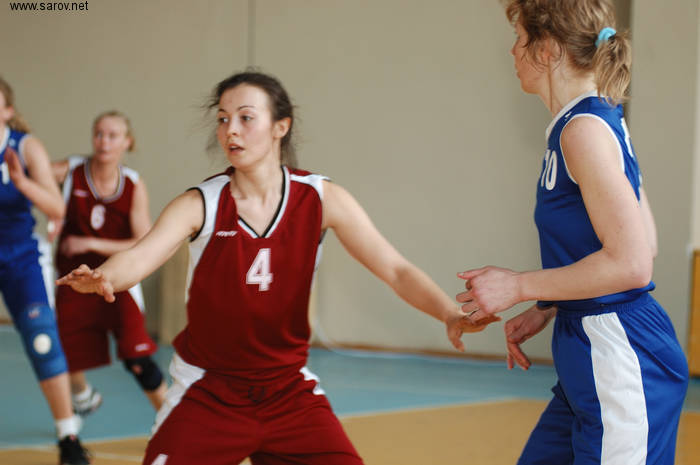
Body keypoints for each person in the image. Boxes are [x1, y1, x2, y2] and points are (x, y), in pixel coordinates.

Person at [57, 71, 498, 465]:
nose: (231, 129)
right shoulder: (201, 203)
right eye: (223, 118)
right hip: (209, 390)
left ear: (280, 127)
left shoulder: (321, 198)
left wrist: (447, 312)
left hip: (288, 391)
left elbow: (395, 269)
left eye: (246, 118)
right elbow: (140, 256)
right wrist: (105, 277)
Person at [456, 1, 689, 464]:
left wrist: (519, 285)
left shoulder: (583, 131)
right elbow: (641, 240)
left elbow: (633, 262)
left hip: (620, 359)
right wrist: (548, 304)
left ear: (547, 49)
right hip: (589, 350)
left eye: (519, 39)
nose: (512, 51)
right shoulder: (592, 119)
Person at [52, 111, 167, 418]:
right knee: (60, 351)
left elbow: (142, 241)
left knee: (138, 359)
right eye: (99, 134)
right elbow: (26, 173)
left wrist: (90, 243)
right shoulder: (71, 171)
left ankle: (170, 419)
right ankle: (82, 396)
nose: (104, 142)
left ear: (127, 142)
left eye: (113, 135)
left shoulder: (133, 184)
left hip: (117, 280)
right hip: (74, 280)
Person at [0, 77, 91, 464]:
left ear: (8, 111)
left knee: (41, 338)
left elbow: (56, 208)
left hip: (20, 256)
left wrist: (21, 181)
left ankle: (68, 436)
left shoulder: (25, 147)